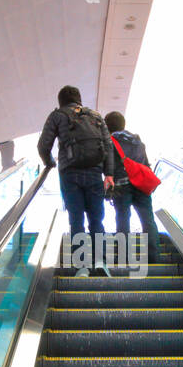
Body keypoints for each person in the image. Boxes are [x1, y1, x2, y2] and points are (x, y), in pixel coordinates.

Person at [38, 86, 115, 276]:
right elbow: (108, 146)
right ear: (79, 99)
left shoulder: (57, 116)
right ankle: (100, 262)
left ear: (60, 101)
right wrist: (109, 174)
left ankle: (82, 266)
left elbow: (43, 145)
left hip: (70, 174)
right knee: (97, 219)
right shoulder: (96, 116)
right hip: (95, 172)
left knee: (77, 220)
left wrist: (50, 162)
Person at [103, 111, 161, 264]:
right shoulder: (138, 142)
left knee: (123, 218)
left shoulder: (110, 141)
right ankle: (153, 256)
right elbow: (146, 164)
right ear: (123, 124)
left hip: (122, 186)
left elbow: (107, 166)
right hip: (141, 185)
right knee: (147, 218)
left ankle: (123, 256)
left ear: (107, 126)